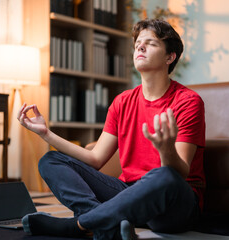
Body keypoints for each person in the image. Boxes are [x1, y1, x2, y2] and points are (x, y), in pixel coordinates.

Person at [17, 18, 205, 240]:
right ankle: (104, 223)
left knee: (164, 176)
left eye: (151, 43)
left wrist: (165, 151)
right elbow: (95, 159)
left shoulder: (188, 101)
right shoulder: (122, 101)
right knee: (51, 161)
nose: (140, 47)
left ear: (169, 57)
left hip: (172, 204)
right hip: (127, 194)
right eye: (137, 44)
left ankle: (78, 225)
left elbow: (180, 173)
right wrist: (45, 133)